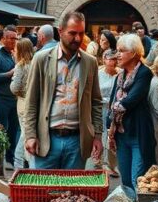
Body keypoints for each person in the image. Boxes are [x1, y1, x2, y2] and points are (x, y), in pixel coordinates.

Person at [22, 11, 103, 170]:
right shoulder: (41, 59)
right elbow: (31, 101)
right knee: (44, 191)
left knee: (71, 192)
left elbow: (96, 102)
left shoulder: (90, 62)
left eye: (81, 33)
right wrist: (30, 135)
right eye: (72, 33)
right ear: (60, 32)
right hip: (47, 139)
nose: (78, 38)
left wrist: (98, 136)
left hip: (77, 141)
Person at [107, 34, 155, 196]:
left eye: (122, 51)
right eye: (117, 51)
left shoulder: (144, 73)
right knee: (126, 181)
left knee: (138, 180)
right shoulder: (119, 76)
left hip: (138, 135)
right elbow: (113, 101)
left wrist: (113, 110)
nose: (117, 55)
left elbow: (131, 100)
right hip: (121, 136)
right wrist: (110, 124)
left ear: (134, 53)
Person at [0, 26, 20, 166]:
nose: (14, 41)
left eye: (16, 38)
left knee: (14, 130)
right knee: (3, 129)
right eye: (12, 38)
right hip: (1, 98)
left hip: (14, 98)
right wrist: (11, 72)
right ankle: (0, 160)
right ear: (4, 39)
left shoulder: (15, 54)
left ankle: (11, 158)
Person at [9, 38, 36, 171]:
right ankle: (26, 166)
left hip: (23, 102)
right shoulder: (36, 63)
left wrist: (19, 90)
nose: (13, 51)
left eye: (15, 49)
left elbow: (14, 87)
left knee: (25, 135)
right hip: (34, 102)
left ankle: (20, 167)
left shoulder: (21, 65)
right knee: (28, 133)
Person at [94, 49, 120, 176]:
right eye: (110, 59)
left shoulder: (120, 74)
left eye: (115, 59)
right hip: (101, 108)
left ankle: (111, 164)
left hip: (114, 109)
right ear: (104, 60)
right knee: (100, 133)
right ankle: (99, 162)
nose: (113, 62)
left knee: (112, 135)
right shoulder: (98, 74)